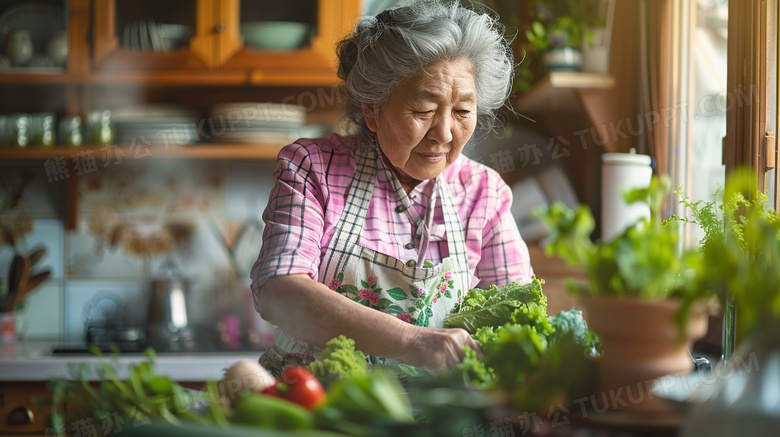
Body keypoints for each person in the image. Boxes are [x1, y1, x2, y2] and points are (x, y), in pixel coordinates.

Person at [250, 0, 533, 376]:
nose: (445, 133)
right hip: (312, 407)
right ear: (372, 108)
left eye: (463, 111)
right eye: (423, 110)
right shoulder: (312, 167)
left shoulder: (484, 192)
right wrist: (414, 342)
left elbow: (519, 318)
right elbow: (278, 290)